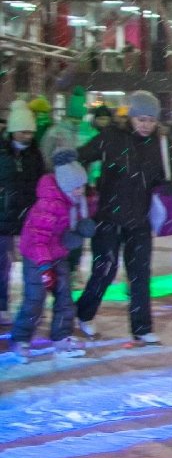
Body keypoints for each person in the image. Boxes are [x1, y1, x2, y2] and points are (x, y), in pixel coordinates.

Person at [75, 90, 172, 344]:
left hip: (141, 219)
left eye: (151, 119)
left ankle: (142, 327)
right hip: (109, 216)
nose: (146, 125)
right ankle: (84, 312)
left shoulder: (161, 143)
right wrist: (85, 185)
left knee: (140, 274)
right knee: (105, 269)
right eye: (141, 119)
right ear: (131, 116)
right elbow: (82, 155)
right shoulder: (112, 137)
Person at [10, 150, 91, 360]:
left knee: (64, 298)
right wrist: (45, 266)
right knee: (35, 298)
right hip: (37, 257)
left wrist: (81, 230)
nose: (81, 191)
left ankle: (61, 337)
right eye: (77, 187)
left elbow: (72, 225)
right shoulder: (49, 205)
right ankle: (21, 338)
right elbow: (38, 238)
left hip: (58, 254)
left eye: (82, 186)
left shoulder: (73, 201)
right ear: (65, 186)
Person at [1, 100, 47, 326]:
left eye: (30, 131)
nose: (26, 136)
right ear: (12, 131)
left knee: (34, 263)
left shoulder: (35, 155)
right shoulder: (2, 153)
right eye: (22, 131)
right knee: (3, 264)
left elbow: (41, 182)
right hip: (3, 216)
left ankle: (33, 306)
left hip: (30, 216)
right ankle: (2, 304)